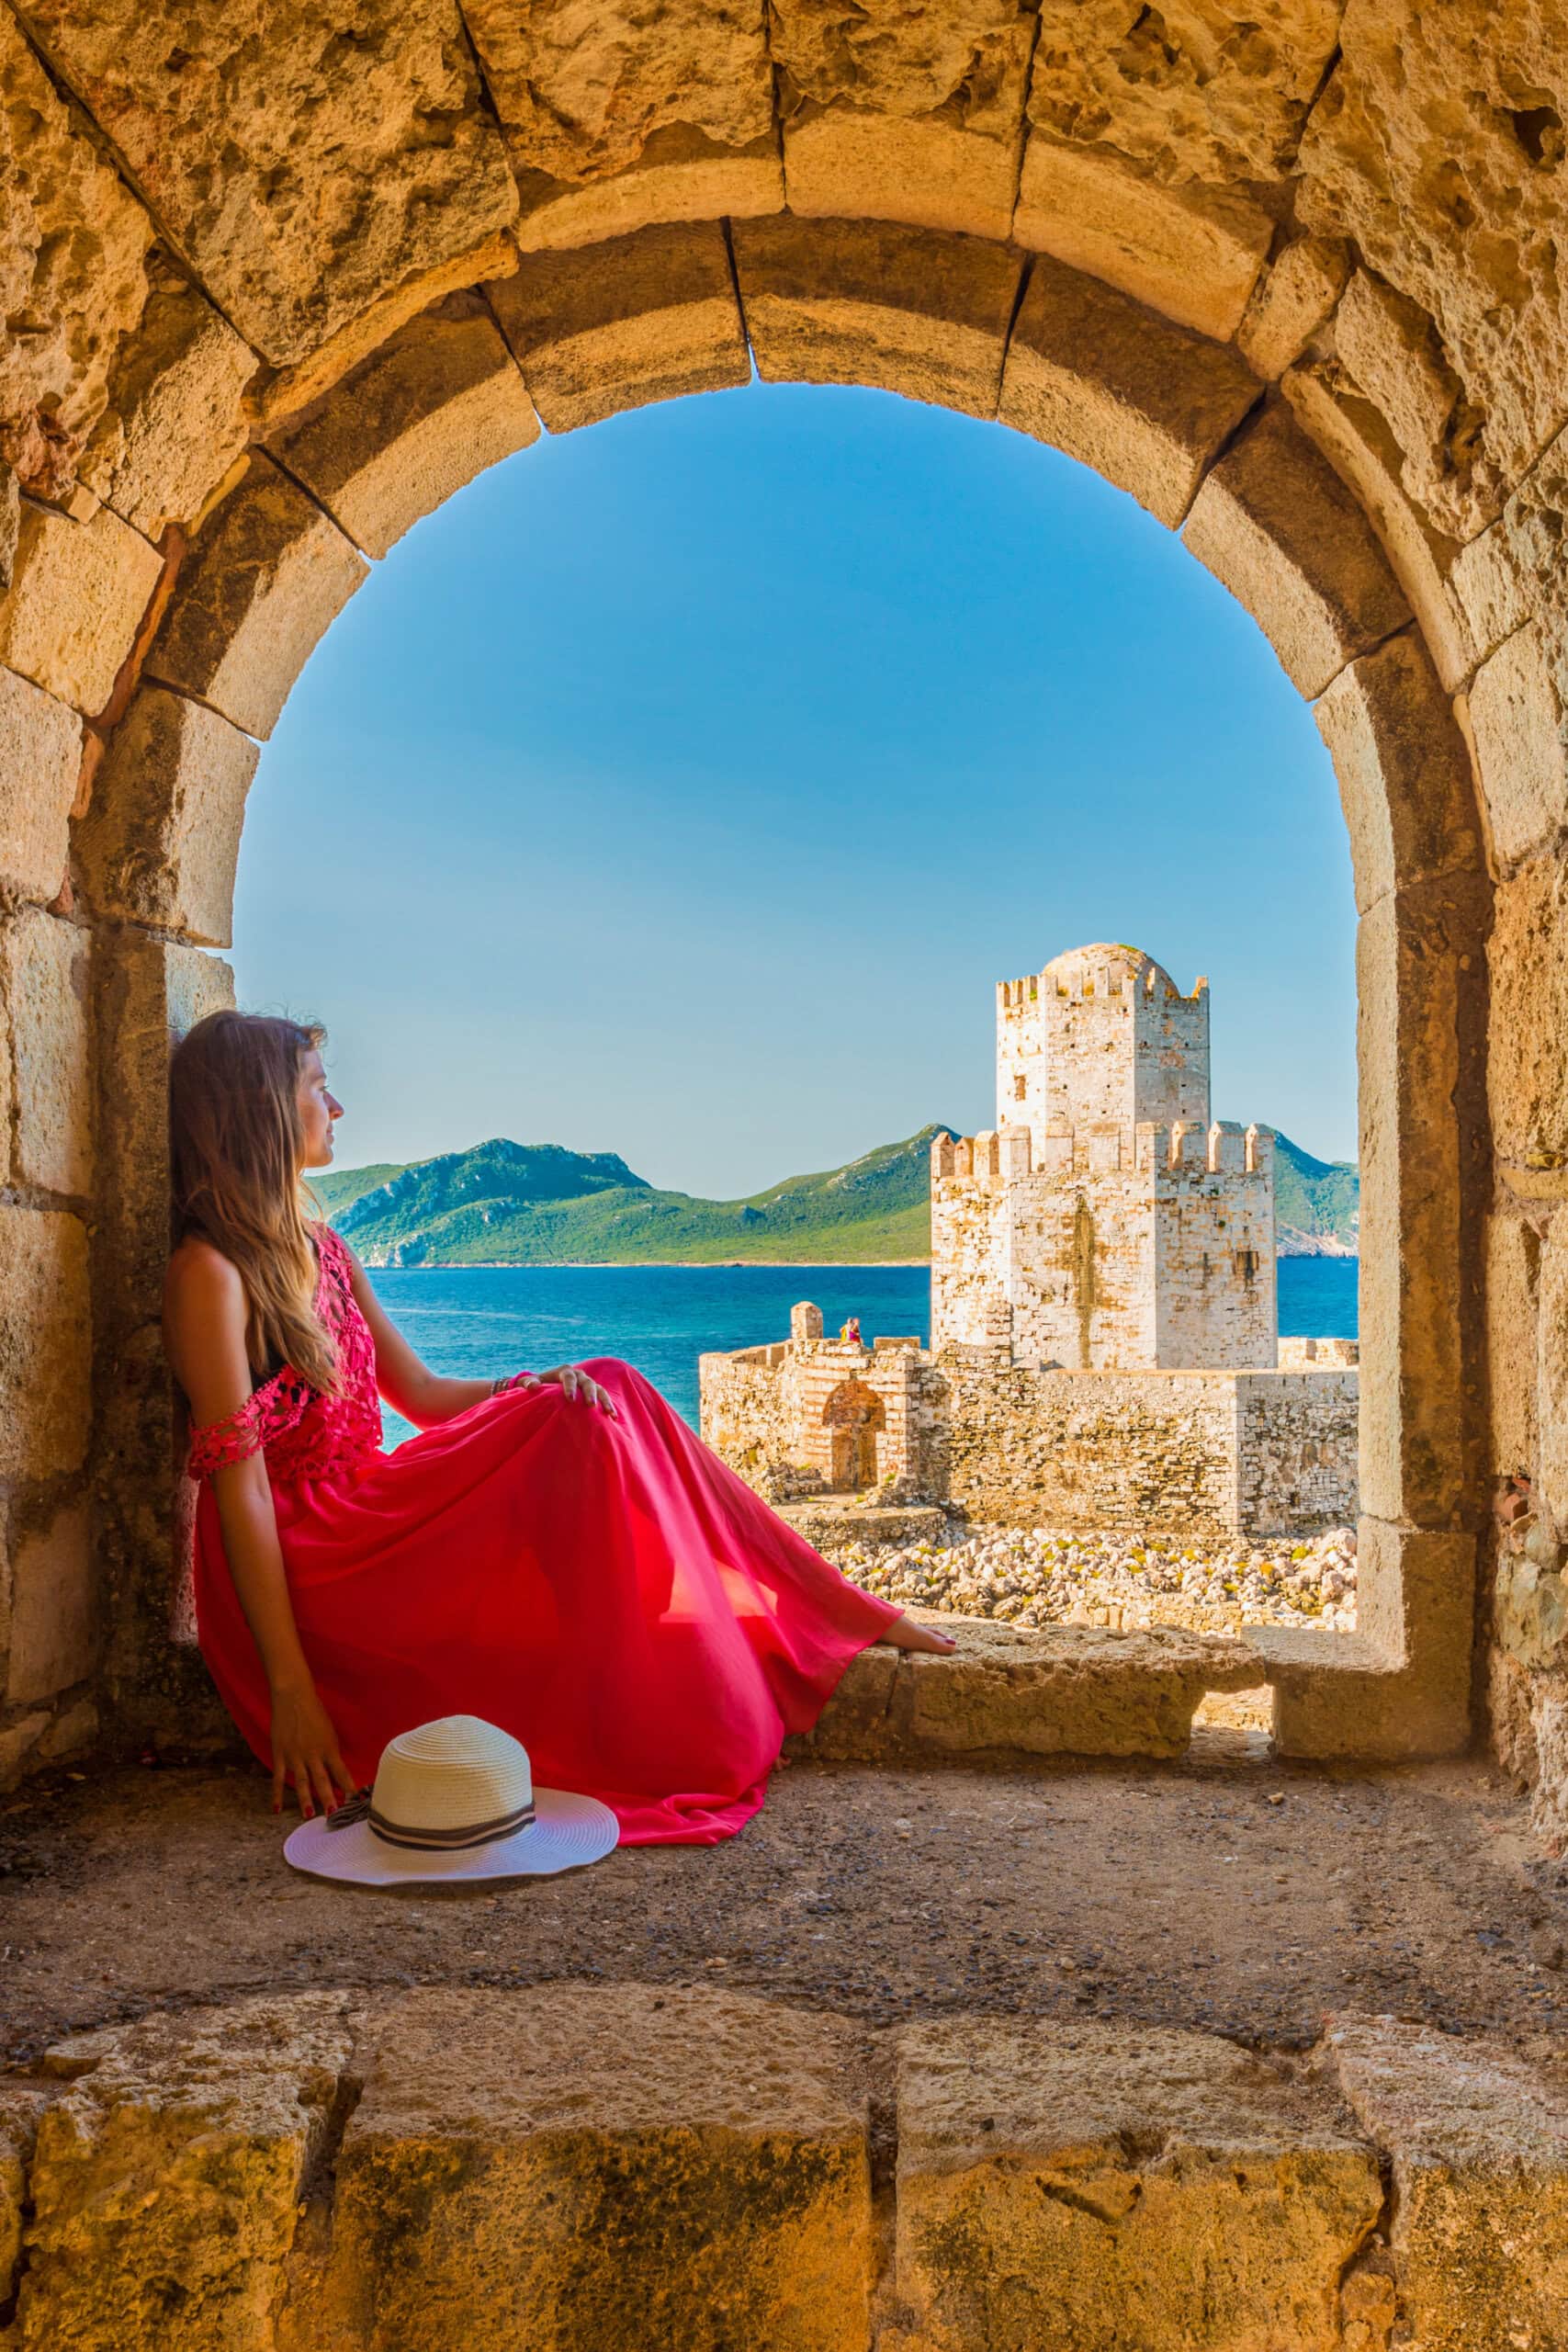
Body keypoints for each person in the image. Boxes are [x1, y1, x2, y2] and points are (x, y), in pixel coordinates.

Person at [163, 1013, 955, 1848]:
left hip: (363, 1513)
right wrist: (293, 1692)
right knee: (591, 1413)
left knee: (604, 1385)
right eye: (318, 1088)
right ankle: (813, 1610)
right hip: (311, 1562)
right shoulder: (209, 1275)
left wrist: (525, 1386)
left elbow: (424, 1396)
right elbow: (238, 1490)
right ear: (263, 1111)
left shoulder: (325, 1250)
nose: (340, 1107)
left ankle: (826, 1601)